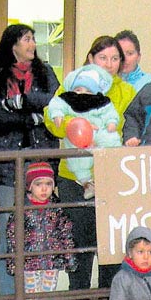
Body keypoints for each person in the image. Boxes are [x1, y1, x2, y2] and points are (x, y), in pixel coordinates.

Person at [46, 35, 135, 300]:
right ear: (90, 58)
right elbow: (51, 116)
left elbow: (130, 123)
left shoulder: (126, 90)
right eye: (103, 58)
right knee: (81, 242)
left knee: (109, 243)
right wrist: (71, 124)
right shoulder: (74, 83)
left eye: (114, 59)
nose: (109, 64)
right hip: (74, 175)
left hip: (112, 174)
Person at [0, 24, 59, 298]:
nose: (32, 43)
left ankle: (37, 289)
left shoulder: (45, 72)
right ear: (12, 44)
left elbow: (54, 103)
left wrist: (21, 100)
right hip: (7, 163)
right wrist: (31, 116)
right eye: (26, 38)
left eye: (33, 38)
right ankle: (9, 292)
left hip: (40, 159)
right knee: (10, 225)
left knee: (42, 227)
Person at [5, 162, 74, 300]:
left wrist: (68, 256)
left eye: (48, 184)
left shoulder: (57, 207)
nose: (44, 189)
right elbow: (13, 234)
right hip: (29, 260)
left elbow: (65, 231)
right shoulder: (22, 207)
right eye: (38, 184)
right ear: (29, 186)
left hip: (52, 259)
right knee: (30, 293)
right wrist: (14, 261)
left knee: (49, 292)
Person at [47, 64, 122, 199]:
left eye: (87, 90)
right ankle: (86, 182)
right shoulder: (67, 98)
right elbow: (56, 104)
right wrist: (57, 115)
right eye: (78, 89)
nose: (81, 93)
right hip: (78, 135)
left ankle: (111, 158)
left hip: (99, 130)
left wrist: (112, 122)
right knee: (78, 158)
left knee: (112, 138)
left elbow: (109, 112)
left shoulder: (100, 101)